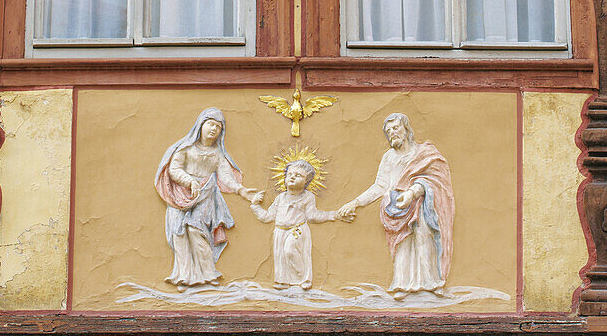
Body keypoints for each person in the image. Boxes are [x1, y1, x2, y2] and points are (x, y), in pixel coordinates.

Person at [338, 113, 454, 299]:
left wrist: (414, 192)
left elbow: (436, 179)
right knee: (402, 243)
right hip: (395, 207)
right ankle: (402, 284)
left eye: (396, 128)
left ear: (407, 129)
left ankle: (433, 282)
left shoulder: (424, 153)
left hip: (421, 205)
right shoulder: (389, 158)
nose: (392, 133)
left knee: (424, 238)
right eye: (388, 131)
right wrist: (355, 203)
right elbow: (379, 186)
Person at [155, 107, 256, 288]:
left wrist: (241, 190)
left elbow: (226, 176)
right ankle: (183, 276)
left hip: (205, 195)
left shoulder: (217, 154)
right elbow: (174, 169)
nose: (213, 129)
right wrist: (189, 181)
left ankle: (208, 274)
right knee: (179, 233)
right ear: (200, 125)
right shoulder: (186, 148)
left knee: (197, 232)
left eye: (218, 127)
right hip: (179, 196)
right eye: (210, 124)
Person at [250, 159, 353, 290]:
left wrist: (334, 215)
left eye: (298, 175)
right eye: (290, 174)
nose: (292, 177)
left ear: (307, 182)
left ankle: (302, 279)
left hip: (297, 231)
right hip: (280, 231)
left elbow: (313, 216)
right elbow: (267, 217)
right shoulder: (280, 198)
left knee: (290, 251)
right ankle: (283, 281)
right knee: (280, 256)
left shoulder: (307, 197)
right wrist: (255, 205)